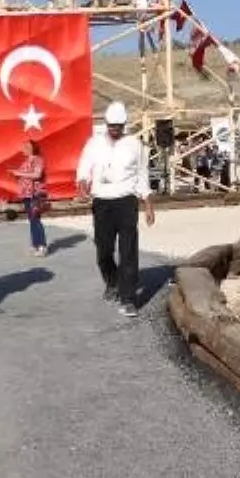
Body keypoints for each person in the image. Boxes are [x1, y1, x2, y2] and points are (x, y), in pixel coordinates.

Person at [76, 101, 155, 318]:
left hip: (126, 201)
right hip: (102, 201)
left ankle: (128, 298)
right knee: (103, 249)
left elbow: (142, 174)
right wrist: (83, 184)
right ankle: (112, 282)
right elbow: (84, 167)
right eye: (112, 125)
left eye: (119, 126)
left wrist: (148, 205)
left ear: (124, 124)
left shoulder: (134, 144)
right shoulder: (94, 144)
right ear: (106, 123)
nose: (115, 130)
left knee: (128, 249)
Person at [9, 139, 48, 256]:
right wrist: (15, 174)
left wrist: (18, 173)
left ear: (32, 148)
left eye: (26, 146)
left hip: (35, 193)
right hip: (26, 193)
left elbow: (37, 174)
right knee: (32, 219)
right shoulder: (26, 161)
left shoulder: (38, 159)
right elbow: (24, 176)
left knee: (35, 219)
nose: (23, 149)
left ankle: (41, 245)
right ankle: (35, 244)